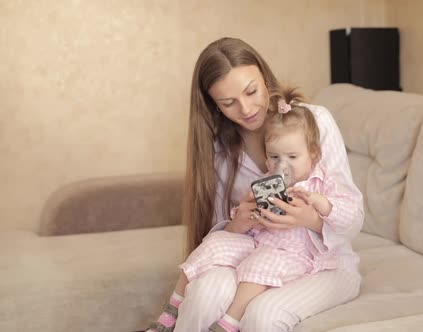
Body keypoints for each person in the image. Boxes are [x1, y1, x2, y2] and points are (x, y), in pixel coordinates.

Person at [146, 37, 363, 332]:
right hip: (258, 255)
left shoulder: (315, 121)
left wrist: (310, 218)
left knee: (264, 313)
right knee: (205, 292)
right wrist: (239, 222)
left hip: (324, 263)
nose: (246, 109)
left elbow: (352, 219)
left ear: (264, 77)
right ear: (215, 106)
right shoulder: (220, 151)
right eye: (228, 103)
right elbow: (220, 231)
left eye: (251, 91)